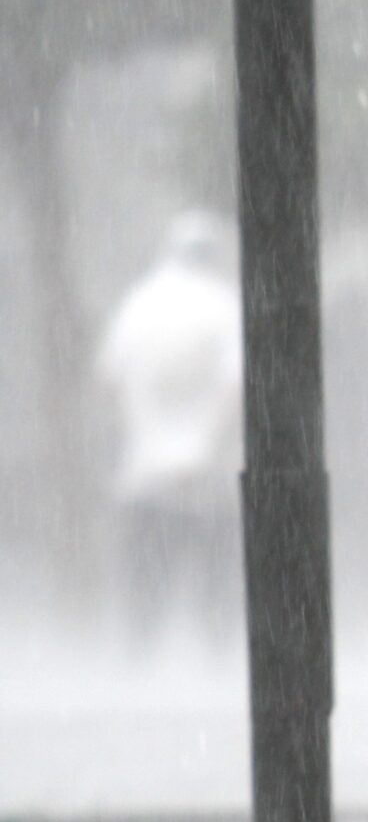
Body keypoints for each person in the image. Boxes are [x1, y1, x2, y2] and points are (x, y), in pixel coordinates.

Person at [94, 211, 246, 650]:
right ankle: (219, 665)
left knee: (146, 582)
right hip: (210, 475)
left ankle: (139, 665)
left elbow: (108, 378)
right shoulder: (223, 304)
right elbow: (235, 383)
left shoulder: (138, 304)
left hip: (145, 474)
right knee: (215, 583)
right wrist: (208, 442)